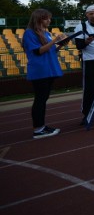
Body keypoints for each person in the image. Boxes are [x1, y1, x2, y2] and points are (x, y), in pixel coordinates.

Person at [22, 9, 69, 139]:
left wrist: (60, 45)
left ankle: (41, 126)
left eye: (49, 18)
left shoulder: (45, 33)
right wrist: (54, 41)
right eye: (46, 18)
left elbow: (50, 51)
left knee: (43, 99)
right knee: (40, 99)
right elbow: (38, 51)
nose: (49, 20)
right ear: (38, 19)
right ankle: (38, 129)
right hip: (40, 70)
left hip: (49, 69)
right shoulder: (29, 33)